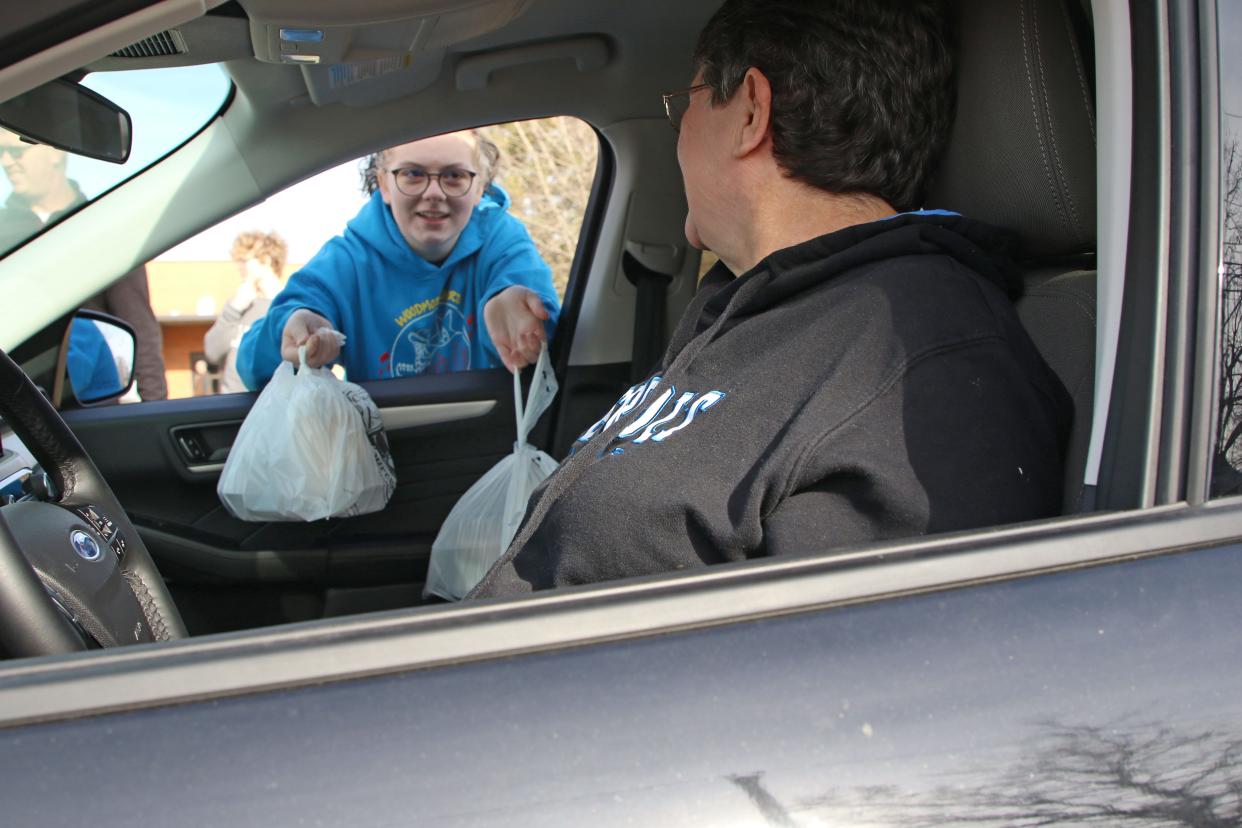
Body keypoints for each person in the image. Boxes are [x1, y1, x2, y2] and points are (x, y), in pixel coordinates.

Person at [468, 0, 1073, 598]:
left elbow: (827, 667)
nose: (679, 136)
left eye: (688, 104)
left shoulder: (929, 363)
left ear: (752, 112)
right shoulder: (750, 305)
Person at [235, 130, 559, 388]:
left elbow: (548, 321)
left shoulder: (502, 237)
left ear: (479, 188)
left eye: (454, 176)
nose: (434, 193)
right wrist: (295, 328)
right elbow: (251, 364)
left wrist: (516, 305)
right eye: (413, 174)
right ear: (384, 184)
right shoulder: (349, 260)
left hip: (484, 446)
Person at [0, 128, 168, 400]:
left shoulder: (101, 229)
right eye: (1, 153)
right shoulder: (3, 233)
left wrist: (156, 406)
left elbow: (139, 324)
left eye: (17, 151)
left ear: (55, 152)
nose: (7, 161)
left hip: (88, 402)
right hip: (15, 403)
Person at [204, 230, 288, 394]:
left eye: (245, 260)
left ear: (266, 260)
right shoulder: (238, 305)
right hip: (232, 407)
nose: (239, 267)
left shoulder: (288, 307)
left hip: (269, 407)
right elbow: (212, 352)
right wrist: (233, 309)